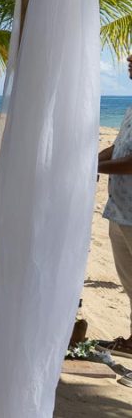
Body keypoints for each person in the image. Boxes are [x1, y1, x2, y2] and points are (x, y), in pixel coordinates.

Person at [96, 54, 132, 359]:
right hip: (121, 211)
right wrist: (91, 161)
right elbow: (121, 146)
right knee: (130, 284)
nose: (130, 59)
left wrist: (92, 169)